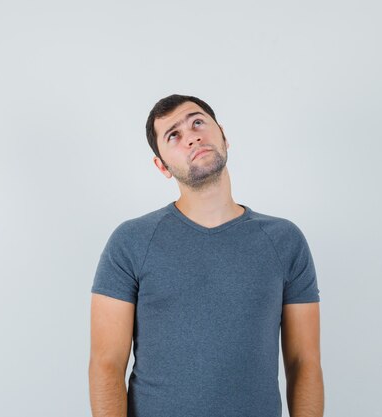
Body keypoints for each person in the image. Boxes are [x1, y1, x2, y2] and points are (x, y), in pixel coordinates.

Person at [88, 94, 324, 417]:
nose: (192, 136)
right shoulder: (130, 243)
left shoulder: (285, 241)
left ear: (223, 135)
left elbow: (304, 363)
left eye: (198, 122)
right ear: (162, 166)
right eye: (174, 135)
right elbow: (106, 365)